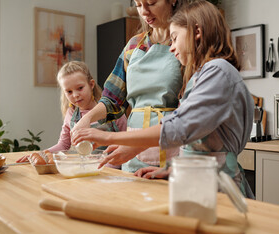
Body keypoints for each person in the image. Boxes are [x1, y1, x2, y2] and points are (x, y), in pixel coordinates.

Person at [71, 0, 255, 198]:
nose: (171, 48)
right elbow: (195, 141)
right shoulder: (201, 74)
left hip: (216, 186)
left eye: (175, 39)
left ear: (197, 32)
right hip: (195, 179)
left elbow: (182, 128)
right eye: (139, 5)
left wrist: (108, 137)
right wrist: (172, 170)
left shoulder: (216, 71)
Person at [71, 0, 187, 172]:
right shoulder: (134, 45)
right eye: (139, 5)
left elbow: (191, 107)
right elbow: (112, 98)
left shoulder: (183, 44)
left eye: (151, 3)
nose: (144, 12)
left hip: (172, 143)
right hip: (131, 149)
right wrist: (86, 119)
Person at [17, 61, 127, 163]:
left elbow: (128, 141)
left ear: (91, 84)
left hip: (113, 167)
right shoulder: (71, 114)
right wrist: (41, 155)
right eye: (69, 91)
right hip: (86, 169)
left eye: (80, 88)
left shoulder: (112, 109)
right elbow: (64, 145)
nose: (75, 95)